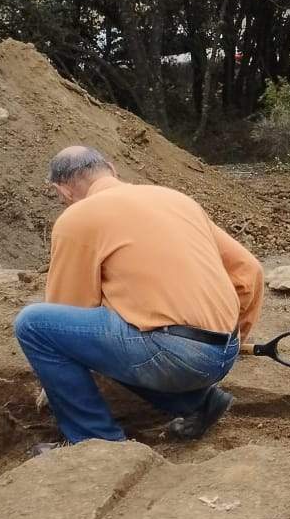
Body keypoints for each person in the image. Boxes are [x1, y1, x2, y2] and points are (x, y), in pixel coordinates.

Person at [16, 147, 264, 452]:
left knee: (33, 324)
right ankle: (197, 402)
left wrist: (51, 381)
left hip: (174, 358)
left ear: (62, 190)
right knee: (128, 321)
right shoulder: (176, 199)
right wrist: (236, 338)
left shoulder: (76, 219)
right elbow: (249, 270)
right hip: (223, 351)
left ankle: (95, 441)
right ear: (111, 167)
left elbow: (70, 309)